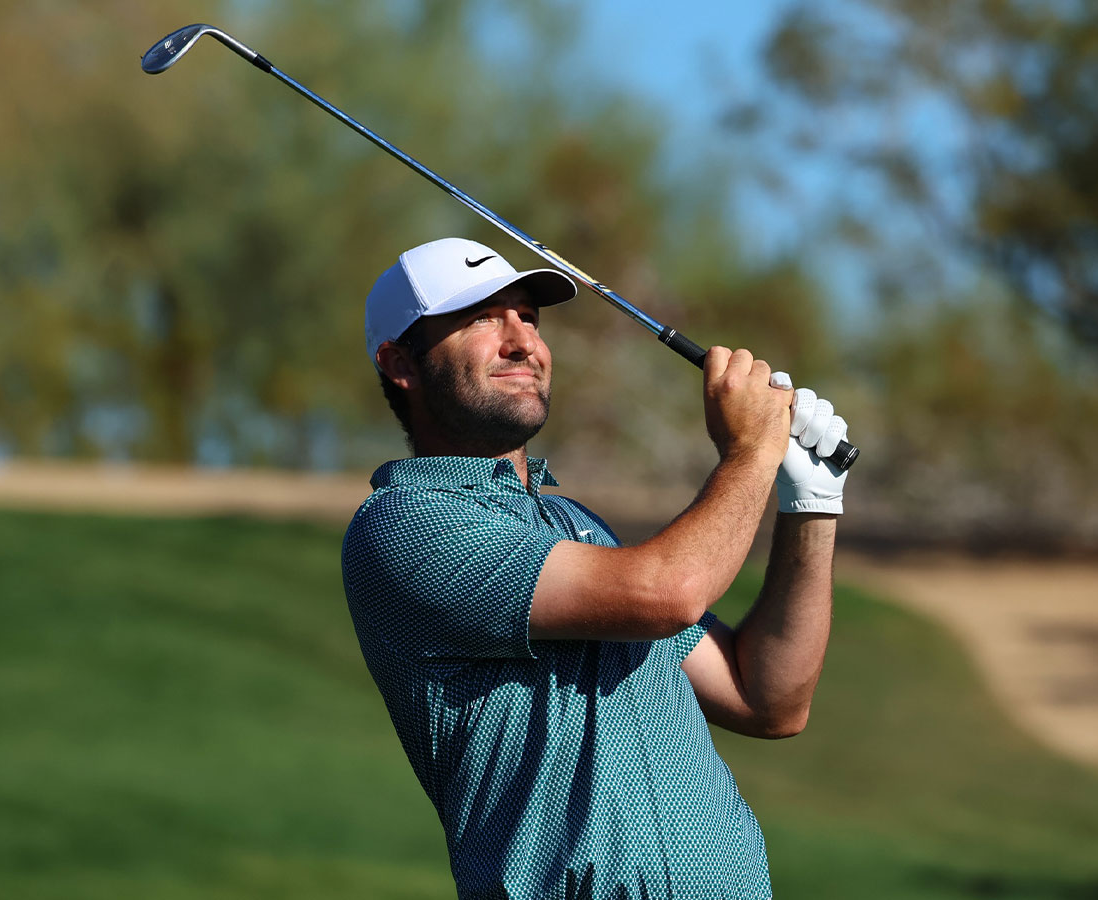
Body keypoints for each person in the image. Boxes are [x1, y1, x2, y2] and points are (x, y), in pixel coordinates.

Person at [341, 237, 849, 900]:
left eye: (528, 316)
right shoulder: (406, 525)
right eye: (481, 318)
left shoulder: (577, 529)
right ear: (400, 362)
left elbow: (768, 698)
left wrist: (812, 505)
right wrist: (751, 451)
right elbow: (671, 591)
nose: (522, 341)